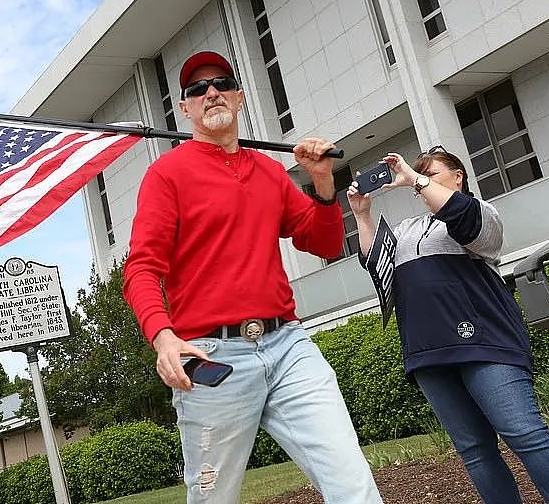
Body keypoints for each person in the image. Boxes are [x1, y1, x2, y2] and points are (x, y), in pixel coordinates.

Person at [123, 50, 383, 504]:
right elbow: (142, 267)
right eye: (197, 89)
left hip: (288, 347)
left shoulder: (269, 171)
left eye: (222, 83)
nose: (211, 93)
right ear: (185, 108)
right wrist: (163, 338)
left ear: (240, 97)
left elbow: (321, 243)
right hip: (212, 357)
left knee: (351, 482)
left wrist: (322, 184)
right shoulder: (166, 174)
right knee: (212, 498)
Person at [348, 146, 549, 504]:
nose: (422, 186)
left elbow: (465, 219)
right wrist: (363, 216)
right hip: (428, 351)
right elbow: (377, 264)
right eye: (420, 179)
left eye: (433, 176)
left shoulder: (481, 213)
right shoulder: (407, 229)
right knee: (474, 450)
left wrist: (414, 178)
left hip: (485, 342)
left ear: (458, 176)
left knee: (525, 434)